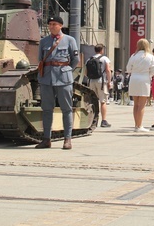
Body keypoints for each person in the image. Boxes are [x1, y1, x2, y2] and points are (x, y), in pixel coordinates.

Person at [35, 16, 78, 150]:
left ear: (60, 26)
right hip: (47, 79)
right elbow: (40, 59)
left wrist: (67, 70)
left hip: (63, 78)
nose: (52, 26)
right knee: (47, 109)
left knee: (66, 109)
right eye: (50, 24)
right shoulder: (44, 41)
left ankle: (67, 139)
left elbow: (75, 59)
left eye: (54, 24)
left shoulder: (69, 40)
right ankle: (46, 139)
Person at [125, 38, 154, 132]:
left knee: (136, 104)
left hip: (134, 79)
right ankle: (140, 125)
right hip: (144, 79)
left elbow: (128, 69)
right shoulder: (150, 57)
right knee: (142, 105)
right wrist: (149, 75)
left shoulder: (133, 56)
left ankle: (136, 125)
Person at [85, 43, 111, 128]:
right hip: (101, 81)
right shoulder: (104, 59)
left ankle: (92, 119)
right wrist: (109, 81)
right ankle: (103, 121)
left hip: (91, 81)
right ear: (102, 50)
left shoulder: (89, 59)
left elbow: (86, 72)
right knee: (103, 101)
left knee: (92, 101)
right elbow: (108, 70)